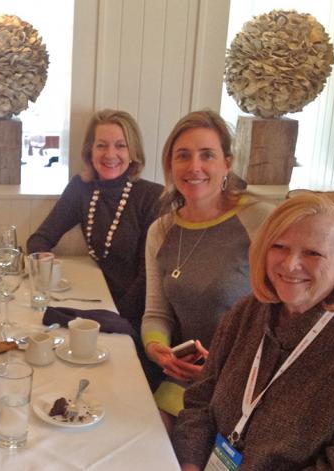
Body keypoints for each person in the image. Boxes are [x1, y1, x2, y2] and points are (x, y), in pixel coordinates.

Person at [173, 191, 334, 470]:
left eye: (312, 253)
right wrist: (190, 463)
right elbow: (200, 401)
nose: (290, 265)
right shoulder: (248, 313)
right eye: (279, 246)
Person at [141, 110, 273, 428]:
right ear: (171, 166)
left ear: (227, 163)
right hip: (187, 380)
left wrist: (226, 371)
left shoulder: (261, 219)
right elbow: (157, 313)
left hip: (250, 382)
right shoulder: (160, 231)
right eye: (183, 156)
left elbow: (283, 318)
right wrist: (158, 349)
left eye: (207, 155)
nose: (194, 166)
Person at [27, 109, 163, 329]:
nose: (110, 154)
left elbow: (149, 278)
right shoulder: (81, 188)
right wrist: (42, 259)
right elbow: (40, 238)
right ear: (90, 150)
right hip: (93, 298)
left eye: (120, 145)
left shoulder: (152, 196)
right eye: (101, 145)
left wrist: (114, 314)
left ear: (133, 152)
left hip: (133, 314)